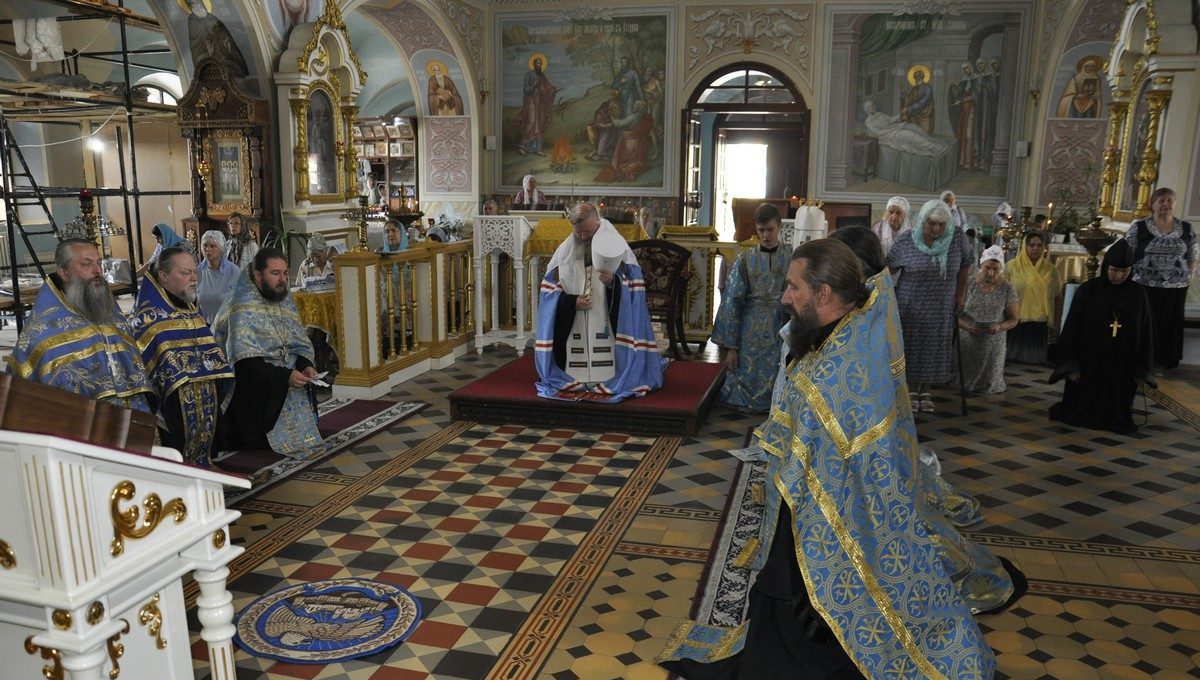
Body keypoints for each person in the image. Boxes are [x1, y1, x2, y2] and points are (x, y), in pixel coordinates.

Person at [660, 239, 997, 679]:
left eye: (793, 287)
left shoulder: (841, 364)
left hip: (832, 519)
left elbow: (837, 455)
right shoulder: (843, 334)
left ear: (822, 293)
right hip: (814, 506)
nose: (785, 297)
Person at [533, 202, 666, 403]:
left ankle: (609, 377)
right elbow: (548, 291)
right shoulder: (566, 249)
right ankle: (576, 377)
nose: (583, 237)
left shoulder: (616, 244)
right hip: (576, 324)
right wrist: (571, 302)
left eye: (587, 232)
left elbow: (634, 288)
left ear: (597, 221)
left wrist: (614, 282)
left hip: (606, 322)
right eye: (578, 232)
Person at [11, 239, 153, 413]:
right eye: (86, 264)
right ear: (64, 272)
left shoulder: (111, 314)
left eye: (99, 263)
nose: (97, 271)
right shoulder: (43, 331)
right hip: (78, 421)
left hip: (132, 417)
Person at [212, 247, 324, 457]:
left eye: (284, 273)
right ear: (258, 275)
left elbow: (297, 343)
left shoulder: (284, 299)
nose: (282, 280)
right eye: (275, 273)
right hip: (253, 388)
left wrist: (305, 365)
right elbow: (244, 364)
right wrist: (284, 376)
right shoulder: (241, 307)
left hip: (285, 375)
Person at [131, 247, 234, 466]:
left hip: (204, 395)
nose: (194, 278)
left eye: (195, 272)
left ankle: (204, 464)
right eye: (185, 273)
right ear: (163, 276)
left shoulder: (191, 308)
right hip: (172, 405)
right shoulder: (149, 317)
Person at [1049, 240, 1154, 434]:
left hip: (1122, 363)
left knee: (1117, 403)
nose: (1118, 276)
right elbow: (1072, 330)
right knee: (1081, 406)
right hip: (1089, 360)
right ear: (1106, 267)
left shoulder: (1138, 295)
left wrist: (1141, 368)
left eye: (1124, 271)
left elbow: (1145, 334)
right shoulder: (1088, 291)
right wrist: (1072, 364)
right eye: (1114, 270)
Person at [888, 199, 973, 413]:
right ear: (922, 221)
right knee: (910, 345)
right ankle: (909, 389)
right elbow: (888, 268)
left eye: (941, 225)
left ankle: (926, 390)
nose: (936, 229)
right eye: (931, 224)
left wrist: (960, 294)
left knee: (935, 347)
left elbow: (965, 265)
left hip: (941, 305)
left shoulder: (957, 238)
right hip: (911, 304)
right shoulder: (907, 239)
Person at [711, 203, 790, 413]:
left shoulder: (791, 257)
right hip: (750, 327)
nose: (766, 235)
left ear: (780, 227)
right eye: (761, 230)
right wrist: (731, 347)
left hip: (780, 324)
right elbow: (732, 301)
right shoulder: (745, 259)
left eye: (770, 229)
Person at [1124, 187, 1197, 372]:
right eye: (1161, 201)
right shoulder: (1139, 227)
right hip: (1145, 284)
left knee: (1170, 324)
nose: (1166, 204)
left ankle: (1164, 360)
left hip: (1176, 286)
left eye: (1169, 201)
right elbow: (1127, 252)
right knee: (1147, 321)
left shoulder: (1186, 228)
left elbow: (1193, 254)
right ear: (1153, 204)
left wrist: (1190, 275)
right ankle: (1142, 360)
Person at [957, 245, 1019, 394]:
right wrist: (965, 325)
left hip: (993, 341)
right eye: (987, 268)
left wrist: (999, 327)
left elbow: (1014, 319)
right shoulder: (968, 284)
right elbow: (953, 313)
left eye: (996, 269)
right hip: (967, 338)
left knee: (989, 383)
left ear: (1001, 269)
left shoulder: (1007, 288)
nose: (991, 273)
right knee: (963, 382)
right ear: (981, 265)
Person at [1006, 231, 1061, 364]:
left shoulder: (1051, 270)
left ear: (1043, 248)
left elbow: (1058, 295)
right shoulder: (1012, 266)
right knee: (1012, 358)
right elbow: (1001, 292)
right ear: (1025, 246)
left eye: (1039, 245)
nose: (1035, 248)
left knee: (1036, 361)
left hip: (1040, 321)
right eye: (1031, 245)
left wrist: (1057, 324)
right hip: (1016, 319)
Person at [861, 100, 952, 156]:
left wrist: (901, 114)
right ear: (866, 110)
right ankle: (936, 148)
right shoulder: (868, 122)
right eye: (869, 107)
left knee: (914, 127)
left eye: (872, 106)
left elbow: (891, 120)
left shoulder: (880, 114)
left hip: (893, 128)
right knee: (910, 135)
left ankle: (932, 141)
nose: (872, 108)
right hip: (887, 136)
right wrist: (889, 130)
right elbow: (877, 133)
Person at [595, 100, 654, 183]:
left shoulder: (633, 117)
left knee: (623, 162)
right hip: (639, 143)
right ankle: (629, 168)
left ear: (636, 108)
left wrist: (612, 116)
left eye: (634, 105)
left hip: (629, 143)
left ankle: (625, 170)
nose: (633, 107)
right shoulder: (644, 117)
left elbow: (618, 124)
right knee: (637, 161)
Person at [515, 55, 559, 156]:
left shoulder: (542, 75)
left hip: (540, 103)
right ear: (534, 64)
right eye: (537, 63)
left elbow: (547, 87)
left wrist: (554, 89)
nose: (539, 65)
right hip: (531, 101)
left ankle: (537, 148)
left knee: (540, 123)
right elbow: (525, 89)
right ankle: (522, 146)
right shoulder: (529, 75)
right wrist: (534, 85)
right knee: (531, 122)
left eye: (540, 63)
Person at [196, 229, 241, 324]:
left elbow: (241, 302)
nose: (208, 249)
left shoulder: (234, 271)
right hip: (204, 324)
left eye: (212, 246)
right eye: (205, 245)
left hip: (228, 325)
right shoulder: (198, 271)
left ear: (221, 249)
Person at [901, 66, 934, 133]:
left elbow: (923, 102)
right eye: (915, 77)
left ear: (922, 77)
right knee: (913, 132)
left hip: (925, 113)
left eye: (918, 77)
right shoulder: (915, 88)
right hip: (915, 112)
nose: (916, 79)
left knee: (923, 133)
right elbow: (910, 99)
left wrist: (908, 108)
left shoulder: (928, 88)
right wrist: (904, 95)